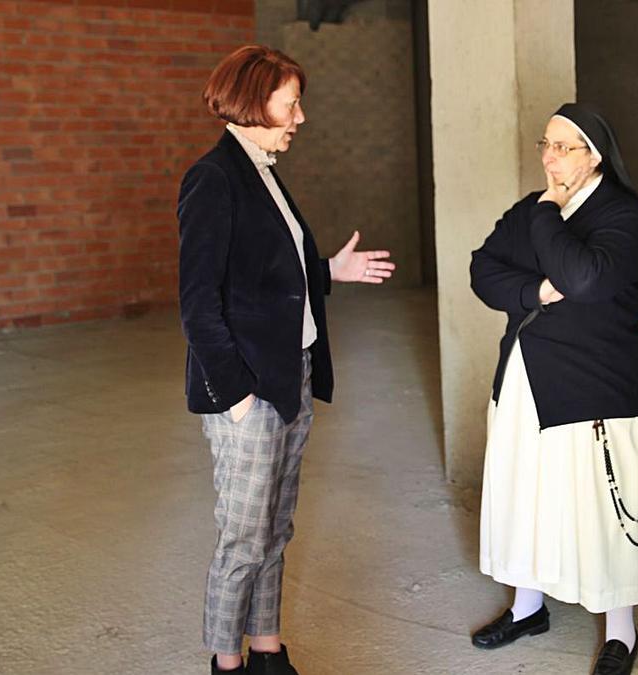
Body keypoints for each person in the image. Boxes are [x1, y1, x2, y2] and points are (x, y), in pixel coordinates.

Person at [178, 45, 395, 675]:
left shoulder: (265, 169)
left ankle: (268, 649)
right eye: (290, 102)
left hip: (290, 374)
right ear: (253, 99)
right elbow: (199, 304)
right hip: (247, 388)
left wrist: (330, 270)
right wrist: (237, 396)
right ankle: (227, 661)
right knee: (242, 539)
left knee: (275, 528)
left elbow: (268, 275)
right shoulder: (213, 178)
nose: (299, 116)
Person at [469, 103, 638, 675]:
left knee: (603, 509)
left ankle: (620, 634)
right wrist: (536, 292)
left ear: (594, 155)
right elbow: (483, 269)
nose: (550, 157)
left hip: (596, 385)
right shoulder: (532, 211)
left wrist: (551, 214)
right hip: (528, 377)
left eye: (563, 147)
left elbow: (584, 276)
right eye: (546, 145)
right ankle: (528, 607)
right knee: (525, 495)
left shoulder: (622, 215)